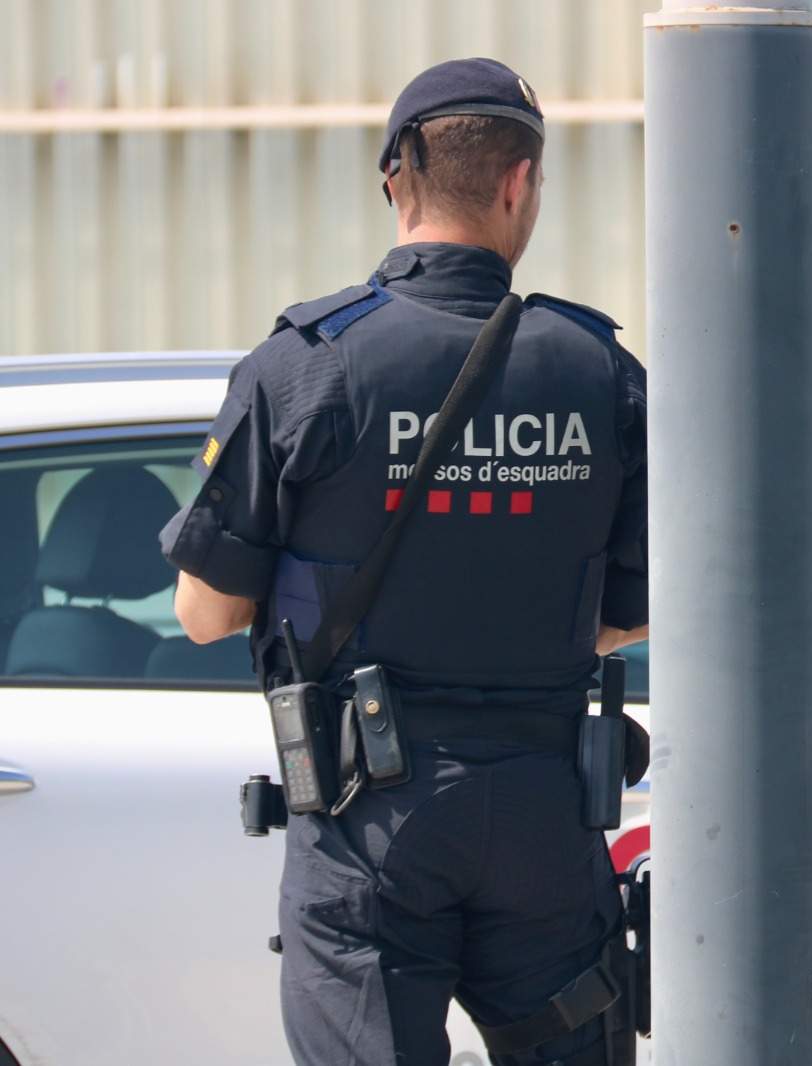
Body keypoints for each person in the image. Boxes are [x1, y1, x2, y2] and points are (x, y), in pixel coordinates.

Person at [159, 57, 649, 1066]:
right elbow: (631, 610)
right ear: (518, 183)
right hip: (544, 815)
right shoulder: (601, 370)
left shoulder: (308, 363)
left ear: (395, 181)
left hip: (366, 815)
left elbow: (206, 611)